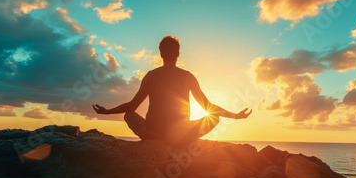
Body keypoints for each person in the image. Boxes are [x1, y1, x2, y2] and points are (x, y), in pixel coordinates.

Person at [92, 36, 251, 146]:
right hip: (181, 137)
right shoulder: (188, 77)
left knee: (129, 115)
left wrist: (107, 112)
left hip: (152, 133)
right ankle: (182, 141)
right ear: (178, 54)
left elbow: (132, 106)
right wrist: (235, 116)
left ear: (160, 54)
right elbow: (209, 107)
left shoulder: (150, 76)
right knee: (214, 118)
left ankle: (157, 139)